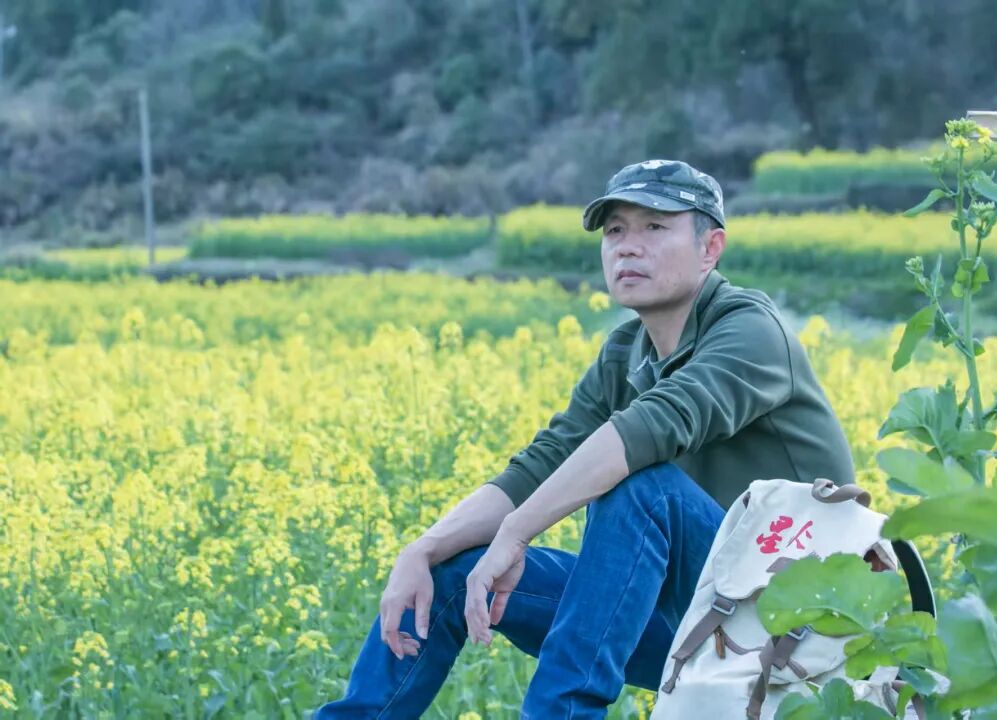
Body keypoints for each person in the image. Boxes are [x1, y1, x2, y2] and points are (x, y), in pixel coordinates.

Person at [315, 159, 855, 719]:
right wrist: (422, 550)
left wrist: (516, 533)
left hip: (795, 627)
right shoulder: (625, 354)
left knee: (644, 487)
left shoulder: (751, 330)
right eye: (615, 230)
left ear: (710, 248)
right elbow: (540, 466)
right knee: (449, 572)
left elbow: (649, 429)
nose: (628, 247)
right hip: (694, 623)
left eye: (654, 227)